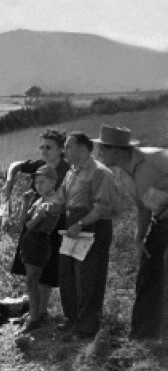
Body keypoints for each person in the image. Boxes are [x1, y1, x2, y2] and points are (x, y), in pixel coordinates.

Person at [95, 124, 168, 340]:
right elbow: (142, 206)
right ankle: (142, 337)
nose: (99, 154)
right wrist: (139, 237)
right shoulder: (125, 173)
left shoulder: (156, 159)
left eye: (103, 149)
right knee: (148, 277)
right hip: (161, 223)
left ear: (116, 150)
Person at [50, 131, 124, 340]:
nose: (64, 150)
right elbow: (61, 198)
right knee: (68, 274)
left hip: (93, 227)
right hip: (72, 226)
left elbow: (101, 208)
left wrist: (81, 224)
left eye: (68, 146)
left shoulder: (100, 172)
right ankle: (72, 319)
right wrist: (49, 207)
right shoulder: (71, 172)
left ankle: (87, 327)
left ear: (83, 149)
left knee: (89, 278)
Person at [2, 130, 69, 323]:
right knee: (31, 269)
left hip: (53, 223)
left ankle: (40, 311)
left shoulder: (67, 170)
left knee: (46, 271)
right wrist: (9, 181)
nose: (44, 151)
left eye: (49, 147)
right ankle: (34, 311)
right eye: (42, 147)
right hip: (34, 218)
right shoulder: (40, 166)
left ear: (61, 149)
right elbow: (16, 165)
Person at [14, 165, 64, 331]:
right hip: (30, 243)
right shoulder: (39, 200)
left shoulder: (52, 201)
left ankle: (35, 317)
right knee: (31, 281)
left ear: (53, 182)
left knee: (32, 281)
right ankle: (33, 313)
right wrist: (25, 202)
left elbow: (30, 225)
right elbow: (22, 223)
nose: (38, 186)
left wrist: (38, 215)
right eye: (36, 182)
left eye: (42, 182)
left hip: (39, 242)